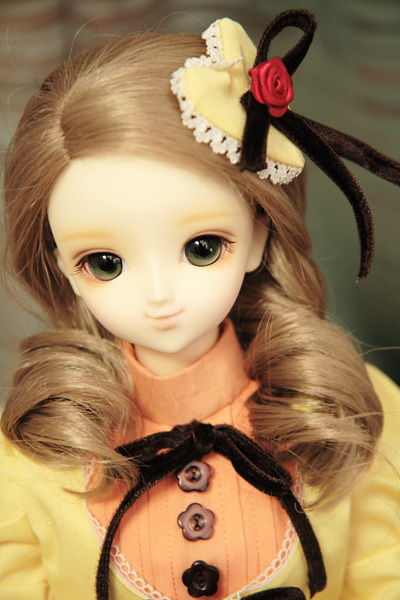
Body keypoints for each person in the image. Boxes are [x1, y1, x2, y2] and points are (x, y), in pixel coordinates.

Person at [1, 9, 399, 600]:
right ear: (65, 270)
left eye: (202, 248)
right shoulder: (41, 448)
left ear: (258, 237)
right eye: (105, 263)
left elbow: (382, 574)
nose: (159, 294)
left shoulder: (343, 408)